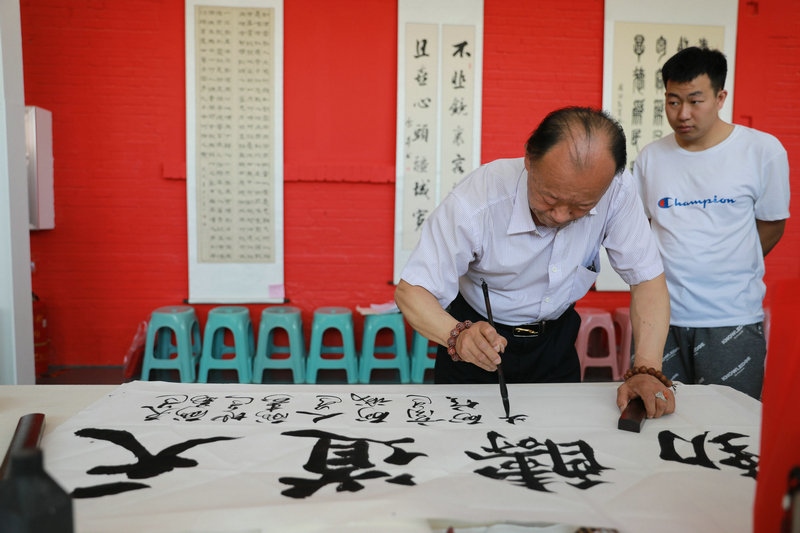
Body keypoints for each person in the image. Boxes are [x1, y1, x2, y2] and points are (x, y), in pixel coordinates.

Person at [395, 106, 674, 418]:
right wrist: (458, 335)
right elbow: (412, 291)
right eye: (549, 199)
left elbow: (646, 279)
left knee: (559, 433)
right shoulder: (477, 201)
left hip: (555, 342)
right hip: (478, 339)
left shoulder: (618, 192)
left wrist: (646, 369)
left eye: (581, 207)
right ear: (529, 158)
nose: (561, 216)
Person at [633, 47, 790, 400]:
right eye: (673, 101)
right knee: (656, 415)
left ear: (720, 98)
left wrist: (731, 263)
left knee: (730, 420)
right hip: (661, 319)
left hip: (731, 318)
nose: (682, 114)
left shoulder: (762, 151)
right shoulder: (651, 158)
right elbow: (640, 228)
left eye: (695, 101)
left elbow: (772, 225)